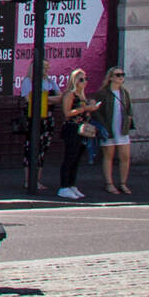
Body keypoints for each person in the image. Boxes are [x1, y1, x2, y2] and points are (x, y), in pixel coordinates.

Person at [55, 68, 97, 200]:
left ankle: (72, 184)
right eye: (81, 79)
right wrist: (84, 108)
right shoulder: (70, 95)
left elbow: (85, 112)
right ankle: (64, 186)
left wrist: (91, 108)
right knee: (69, 157)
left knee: (77, 159)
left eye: (86, 79)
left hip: (83, 129)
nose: (84, 82)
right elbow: (67, 113)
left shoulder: (82, 95)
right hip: (72, 128)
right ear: (74, 81)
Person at [97, 66, 136, 197]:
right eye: (118, 75)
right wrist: (103, 125)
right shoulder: (103, 93)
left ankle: (123, 183)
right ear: (111, 77)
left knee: (125, 156)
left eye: (122, 75)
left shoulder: (124, 92)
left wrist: (129, 118)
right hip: (109, 129)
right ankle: (109, 183)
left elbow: (129, 108)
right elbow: (97, 112)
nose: (121, 77)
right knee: (109, 156)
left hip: (122, 128)